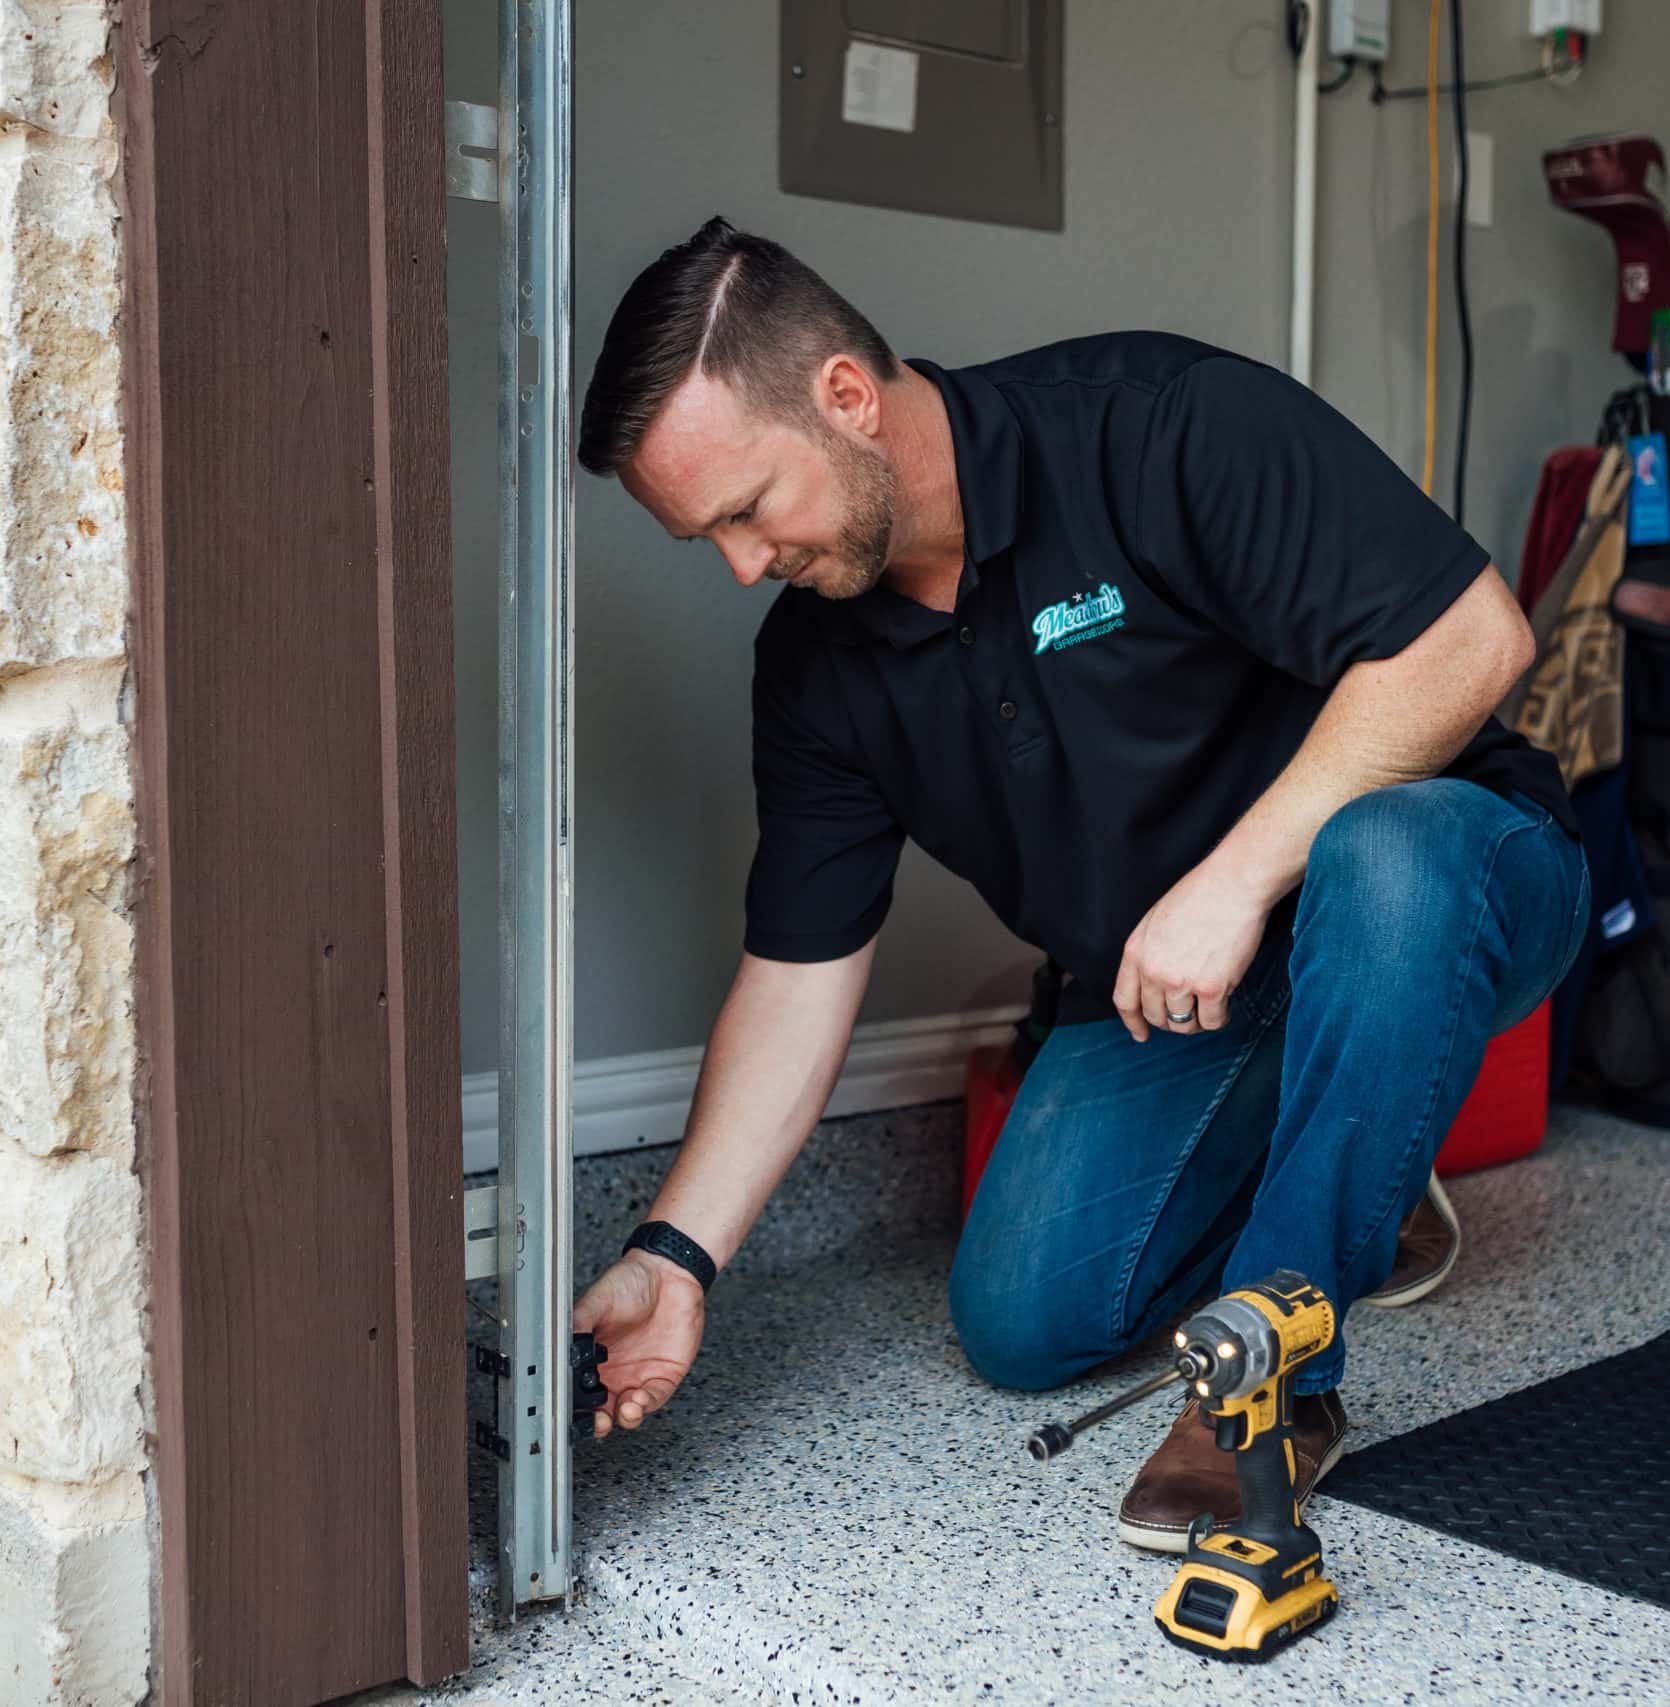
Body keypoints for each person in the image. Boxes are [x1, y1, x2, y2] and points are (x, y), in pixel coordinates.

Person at [568, 216, 1586, 1548]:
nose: (746, 566)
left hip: (1452, 882)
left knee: (1387, 856)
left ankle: (1271, 1390)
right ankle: (1357, 1151)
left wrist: (1234, 880)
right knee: (1023, 1320)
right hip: (1183, 1004)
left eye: (748, 511)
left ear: (846, 397)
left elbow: (1470, 640)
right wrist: (675, 1255)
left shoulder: (1159, 427)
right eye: (706, 538)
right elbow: (796, 976)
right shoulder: (817, 669)